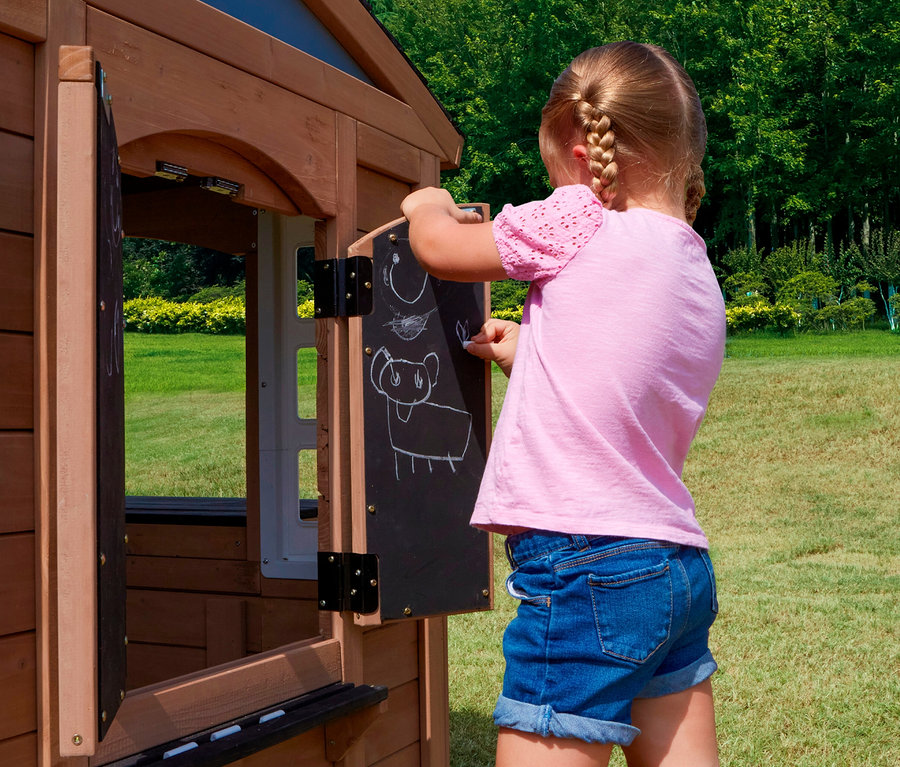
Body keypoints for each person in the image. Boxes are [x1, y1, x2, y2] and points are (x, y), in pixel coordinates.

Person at [400, 41, 725, 767]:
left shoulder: (577, 217)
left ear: (581, 159)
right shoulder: (691, 261)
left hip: (585, 565)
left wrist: (429, 204)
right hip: (673, 564)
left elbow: (440, 248)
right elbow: (618, 391)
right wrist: (527, 352)